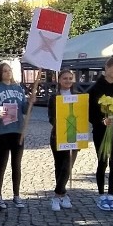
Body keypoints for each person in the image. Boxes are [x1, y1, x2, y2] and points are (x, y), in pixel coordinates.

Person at [87, 56, 113, 211]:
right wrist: (100, 121)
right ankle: (101, 196)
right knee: (102, 162)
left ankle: (111, 195)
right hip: (101, 131)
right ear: (107, 68)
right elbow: (89, 111)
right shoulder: (96, 88)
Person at [0, 62, 28, 209]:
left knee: (16, 165)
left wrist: (30, 102)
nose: (7, 73)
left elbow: (24, 109)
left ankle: (16, 195)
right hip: (3, 132)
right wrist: (0, 114)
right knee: (2, 164)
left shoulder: (18, 89)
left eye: (9, 70)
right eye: (4, 71)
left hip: (18, 131)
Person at [48, 70, 80, 212]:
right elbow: (50, 118)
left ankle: (56, 195)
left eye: (70, 78)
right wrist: (61, 121)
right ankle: (63, 194)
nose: (67, 81)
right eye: (65, 78)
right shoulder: (54, 97)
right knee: (59, 166)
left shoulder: (79, 97)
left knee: (68, 166)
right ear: (59, 80)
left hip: (75, 136)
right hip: (58, 135)